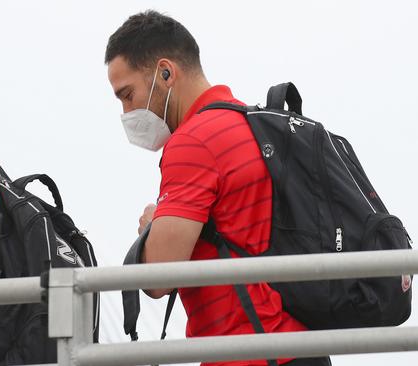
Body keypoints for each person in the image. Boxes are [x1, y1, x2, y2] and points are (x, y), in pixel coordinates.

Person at [105, 10, 330, 366]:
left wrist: (153, 227)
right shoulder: (250, 123)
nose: (125, 111)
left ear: (166, 73)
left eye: (127, 94)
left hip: (250, 352)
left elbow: (158, 277)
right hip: (301, 345)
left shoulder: (194, 141)